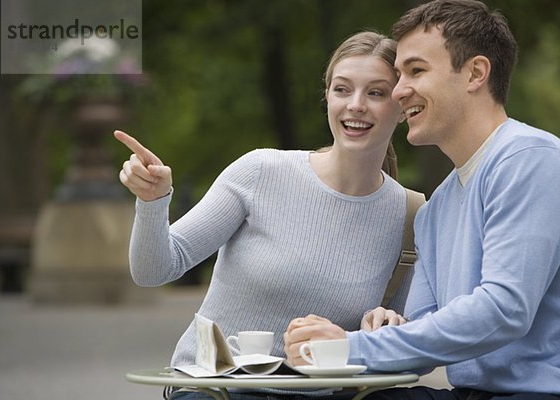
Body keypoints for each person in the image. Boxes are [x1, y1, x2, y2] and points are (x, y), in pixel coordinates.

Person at [284, 1, 560, 399]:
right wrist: (390, 327)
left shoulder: (530, 160)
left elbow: (503, 310)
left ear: (476, 73)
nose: (398, 91)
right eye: (398, 75)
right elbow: (427, 340)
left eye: (416, 71)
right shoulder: (436, 209)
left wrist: (348, 347)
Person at [115, 30, 418, 399]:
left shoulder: (411, 214)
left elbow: (413, 349)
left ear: (402, 105)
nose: (356, 104)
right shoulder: (260, 172)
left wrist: (389, 330)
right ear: (327, 98)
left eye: (376, 92)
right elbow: (154, 270)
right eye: (342, 89)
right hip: (217, 391)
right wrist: (152, 202)